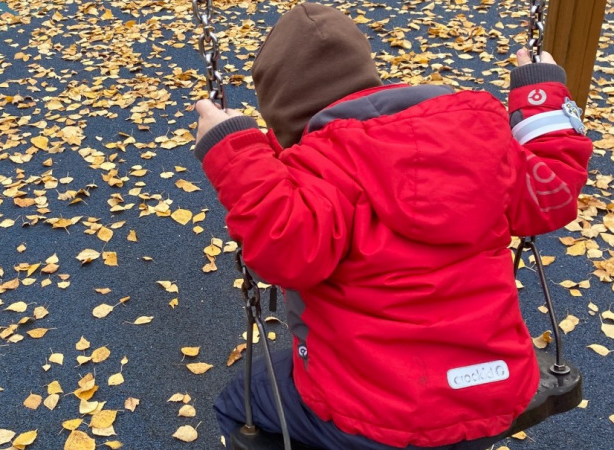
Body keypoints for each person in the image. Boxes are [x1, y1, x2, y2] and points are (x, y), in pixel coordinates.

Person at [192, 3, 593, 449]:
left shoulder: (318, 173)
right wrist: (540, 99)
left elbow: (285, 249)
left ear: (284, 119)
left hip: (380, 420)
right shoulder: (481, 140)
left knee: (240, 401)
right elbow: (554, 192)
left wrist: (235, 152)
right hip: (496, 390)